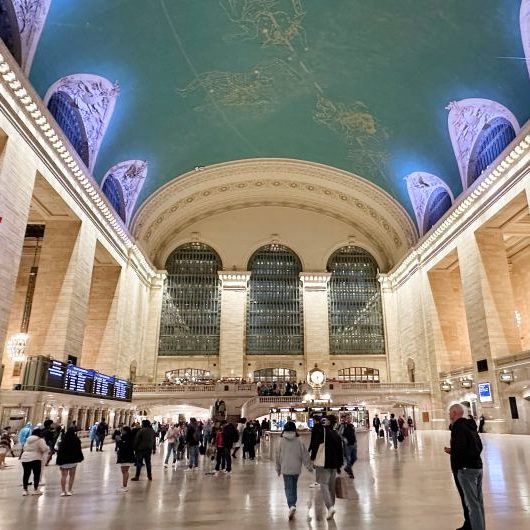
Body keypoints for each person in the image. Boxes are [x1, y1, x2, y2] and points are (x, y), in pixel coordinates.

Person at [444, 404, 485, 530]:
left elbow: (461, 449)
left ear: (455, 413)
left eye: (450, 413)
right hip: (477, 467)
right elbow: (478, 446)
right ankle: (470, 525)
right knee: (477, 502)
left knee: (472, 504)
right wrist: (454, 450)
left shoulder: (458, 427)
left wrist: (459, 466)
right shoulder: (470, 426)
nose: (449, 415)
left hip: (466, 470)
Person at [275, 421, 312, 520]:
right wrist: (309, 466)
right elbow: (305, 454)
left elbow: (277, 456)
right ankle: (293, 504)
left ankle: (291, 505)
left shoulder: (281, 441)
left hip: (285, 468)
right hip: (296, 468)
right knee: (294, 486)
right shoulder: (299, 440)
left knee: (288, 487)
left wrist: (278, 469)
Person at [309, 415, 343, 520]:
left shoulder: (322, 432)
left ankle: (330, 507)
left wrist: (312, 458)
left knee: (323, 485)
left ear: (328, 422)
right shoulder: (336, 434)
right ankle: (331, 508)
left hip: (323, 462)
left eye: (325, 420)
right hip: (333, 464)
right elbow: (340, 451)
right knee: (331, 487)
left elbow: (315, 446)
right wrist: (339, 465)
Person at [56, 427, 84, 496]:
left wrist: (59, 460)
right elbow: (79, 450)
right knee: (72, 476)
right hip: (73, 460)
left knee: (63, 476)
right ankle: (69, 490)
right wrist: (80, 458)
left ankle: (63, 491)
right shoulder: (76, 440)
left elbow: (59, 451)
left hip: (63, 461)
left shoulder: (63, 439)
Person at [20, 428, 48, 496]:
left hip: (25, 458)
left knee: (26, 474)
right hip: (35, 457)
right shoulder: (40, 440)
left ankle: (25, 490)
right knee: (36, 474)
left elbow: (24, 448)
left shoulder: (28, 439)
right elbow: (44, 448)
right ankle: (35, 489)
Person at [116, 426, 136, 492]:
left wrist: (119, 441)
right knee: (124, 471)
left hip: (126, 456)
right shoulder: (126, 437)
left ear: (126, 431)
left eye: (123, 430)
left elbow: (124, 447)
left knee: (125, 471)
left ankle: (125, 486)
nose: (122, 432)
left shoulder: (128, 438)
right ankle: (124, 485)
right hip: (125, 456)